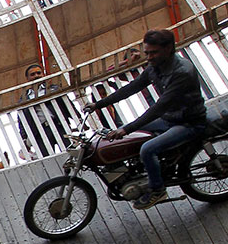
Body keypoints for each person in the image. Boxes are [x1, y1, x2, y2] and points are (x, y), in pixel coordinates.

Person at [85, 28, 207, 210]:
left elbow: (159, 108)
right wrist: (99, 104)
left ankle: (157, 190)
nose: (149, 57)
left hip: (189, 122)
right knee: (131, 133)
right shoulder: (155, 67)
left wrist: (126, 129)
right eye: (147, 53)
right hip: (170, 118)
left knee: (147, 149)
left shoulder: (182, 72)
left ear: (169, 49)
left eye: (153, 52)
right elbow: (132, 88)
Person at [17, 62, 78, 159]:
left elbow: (67, 105)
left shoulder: (53, 89)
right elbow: (22, 119)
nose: (36, 76)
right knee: (46, 158)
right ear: (27, 79)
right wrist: (24, 138)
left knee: (71, 153)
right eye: (32, 74)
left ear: (43, 75)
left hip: (59, 125)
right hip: (40, 131)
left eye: (38, 73)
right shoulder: (24, 98)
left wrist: (79, 120)